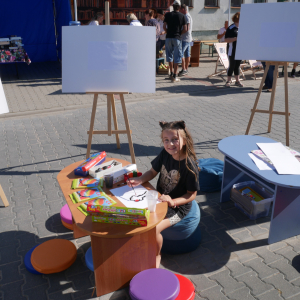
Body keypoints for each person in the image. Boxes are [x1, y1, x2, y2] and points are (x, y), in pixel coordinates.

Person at [126, 120, 200, 268]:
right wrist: (140, 179)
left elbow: (191, 195)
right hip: (160, 199)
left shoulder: (190, 167)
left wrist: (173, 202)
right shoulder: (165, 154)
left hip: (178, 209)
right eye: (166, 140)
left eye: (174, 140)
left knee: (152, 229)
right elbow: (153, 171)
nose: (170, 144)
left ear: (184, 141)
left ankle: (156, 255)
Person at [163, 0, 187, 82]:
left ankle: (171, 73)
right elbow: (185, 29)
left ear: (172, 6)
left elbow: (164, 26)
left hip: (168, 37)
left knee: (169, 56)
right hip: (177, 38)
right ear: (179, 7)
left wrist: (167, 31)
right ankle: (175, 75)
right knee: (177, 57)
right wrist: (179, 33)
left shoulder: (168, 14)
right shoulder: (182, 16)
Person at [224, 12, 243, 87]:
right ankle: (228, 81)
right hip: (232, 50)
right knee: (232, 65)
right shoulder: (231, 28)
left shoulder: (242, 27)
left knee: (237, 65)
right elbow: (226, 39)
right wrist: (236, 39)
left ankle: (237, 81)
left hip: (240, 49)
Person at [179, 4, 192, 77]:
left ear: (183, 9)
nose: (180, 11)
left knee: (181, 53)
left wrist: (180, 33)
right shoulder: (188, 16)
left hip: (185, 38)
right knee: (187, 54)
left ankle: (184, 69)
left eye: (180, 10)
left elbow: (186, 28)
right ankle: (186, 69)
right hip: (188, 38)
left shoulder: (186, 17)